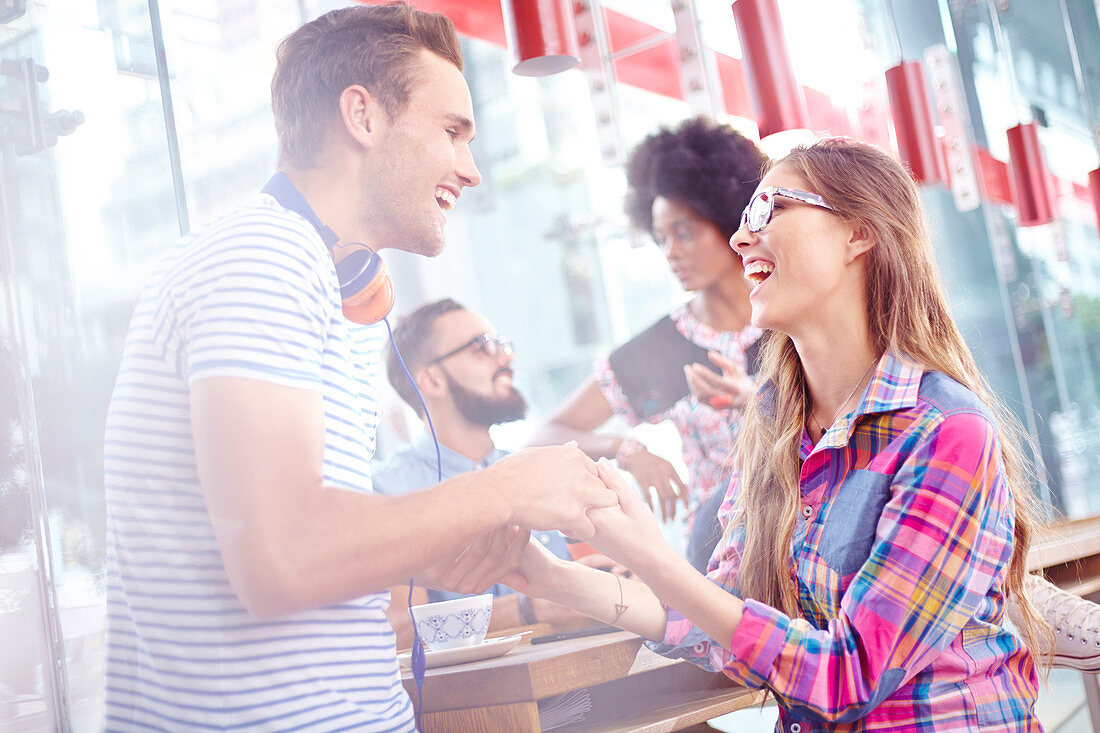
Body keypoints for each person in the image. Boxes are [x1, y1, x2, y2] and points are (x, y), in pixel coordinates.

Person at [102, 5, 617, 731]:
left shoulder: (309, 273)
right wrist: (506, 487)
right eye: (452, 131)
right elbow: (284, 556)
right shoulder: (262, 258)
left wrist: (422, 545)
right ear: (362, 116)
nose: (470, 168)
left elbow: (309, 553)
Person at [508, 138, 1053, 731]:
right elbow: (720, 621)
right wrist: (552, 577)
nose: (743, 237)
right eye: (743, 218)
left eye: (770, 210)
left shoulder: (946, 431)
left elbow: (848, 678)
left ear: (858, 233)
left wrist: (648, 554)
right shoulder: (773, 428)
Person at [531, 117, 766, 571]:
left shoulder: (791, 318)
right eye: (661, 238)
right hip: (720, 562)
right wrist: (628, 450)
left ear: (730, 217)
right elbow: (543, 439)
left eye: (685, 232)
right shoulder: (660, 349)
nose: (671, 253)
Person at [373, 298, 618, 644]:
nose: (506, 358)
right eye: (481, 348)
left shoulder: (542, 470)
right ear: (432, 380)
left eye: (501, 344)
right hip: (488, 697)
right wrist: (525, 610)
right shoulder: (388, 492)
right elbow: (397, 631)